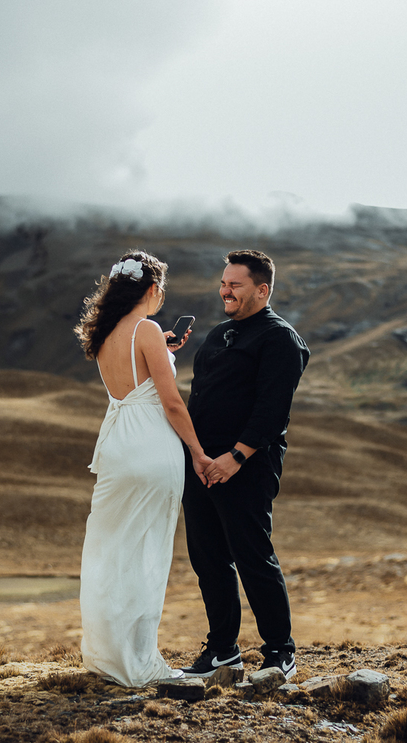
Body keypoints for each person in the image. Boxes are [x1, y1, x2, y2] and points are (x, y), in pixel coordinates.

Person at [73, 250, 212, 687]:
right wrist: (198, 452)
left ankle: (107, 655)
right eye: (161, 291)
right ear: (152, 289)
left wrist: (161, 349)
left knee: (112, 551)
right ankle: (140, 660)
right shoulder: (146, 330)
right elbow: (171, 403)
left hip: (118, 446)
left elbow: (133, 376)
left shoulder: (106, 331)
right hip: (151, 446)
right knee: (147, 552)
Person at [179, 249, 310, 680]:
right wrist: (197, 456)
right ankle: (223, 651)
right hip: (202, 466)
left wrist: (236, 457)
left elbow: (273, 410)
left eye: (234, 284)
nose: (225, 291)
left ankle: (280, 652)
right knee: (208, 559)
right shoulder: (219, 334)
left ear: (261, 289)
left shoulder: (280, 338)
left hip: (246, 466)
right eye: (223, 283)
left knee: (253, 556)